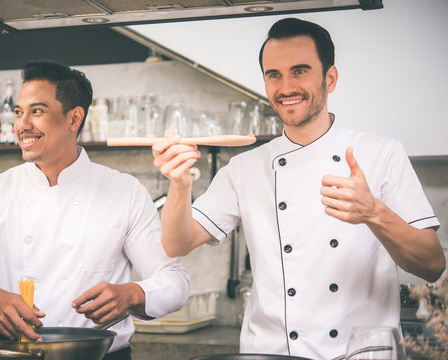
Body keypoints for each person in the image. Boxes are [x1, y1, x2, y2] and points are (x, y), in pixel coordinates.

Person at [151, 18, 446, 359]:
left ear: (330, 79)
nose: (286, 86)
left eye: (300, 71)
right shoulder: (245, 168)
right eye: (273, 74)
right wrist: (179, 183)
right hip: (269, 354)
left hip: (359, 355)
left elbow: (432, 264)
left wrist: (373, 213)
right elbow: (176, 243)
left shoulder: (380, 153)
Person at [0, 59, 189, 360]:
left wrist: (132, 294)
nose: (22, 125)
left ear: (74, 118)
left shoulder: (125, 191)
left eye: (37, 111)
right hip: (21, 356)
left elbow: (175, 280)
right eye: (19, 113)